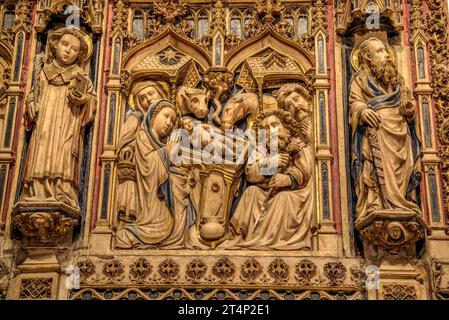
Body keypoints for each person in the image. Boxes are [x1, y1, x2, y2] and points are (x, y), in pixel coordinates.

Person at [21, 27, 95, 210]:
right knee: (41, 149)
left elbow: (92, 101)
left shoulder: (81, 77)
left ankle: (63, 191)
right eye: (65, 44)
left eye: (74, 49)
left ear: (79, 55)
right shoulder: (44, 72)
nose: (68, 50)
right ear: (55, 45)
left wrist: (84, 100)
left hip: (68, 124)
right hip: (45, 121)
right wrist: (31, 102)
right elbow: (33, 94)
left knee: (64, 153)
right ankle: (36, 190)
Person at [349, 37, 421, 223]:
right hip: (377, 133)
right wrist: (363, 110)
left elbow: (407, 104)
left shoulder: (397, 81)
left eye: (386, 51)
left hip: (400, 135)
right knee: (372, 168)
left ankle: (402, 200)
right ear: (367, 56)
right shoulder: (361, 81)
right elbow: (354, 103)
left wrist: (409, 111)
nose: (387, 56)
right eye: (380, 51)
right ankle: (375, 203)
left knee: (406, 167)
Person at [221, 107, 314, 250]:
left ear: (286, 127)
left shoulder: (298, 145)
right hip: (265, 191)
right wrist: (272, 162)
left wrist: (289, 179)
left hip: (292, 192)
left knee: (283, 198)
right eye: (266, 128)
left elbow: (306, 169)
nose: (271, 130)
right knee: (251, 192)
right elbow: (251, 173)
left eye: (275, 125)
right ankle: (245, 237)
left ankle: (277, 240)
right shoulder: (261, 148)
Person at [115, 100, 183, 248]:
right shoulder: (143, 136)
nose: (169, 123)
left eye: (172, 121)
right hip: (149, 201)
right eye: (166, 116)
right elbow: (148, 166)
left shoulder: (160, 142)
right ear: (153, 116)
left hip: (159, 196)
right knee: (164, 223)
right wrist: (167, 153)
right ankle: (133, 234)